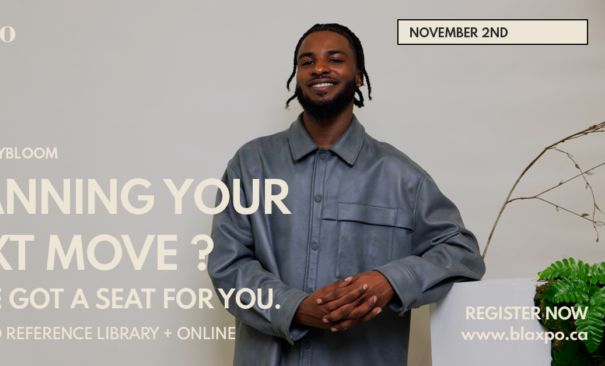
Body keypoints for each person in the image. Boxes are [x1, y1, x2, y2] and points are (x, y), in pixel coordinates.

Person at [207, 23, 485, 366]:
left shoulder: (403, 177)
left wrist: (390, 282)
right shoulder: (251, 165)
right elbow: (226, 263)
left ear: (358, 77)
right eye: (306, 62)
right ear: (297, 77)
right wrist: (294, 308)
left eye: (334, 59)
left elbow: (463, 253)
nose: (319, 68)